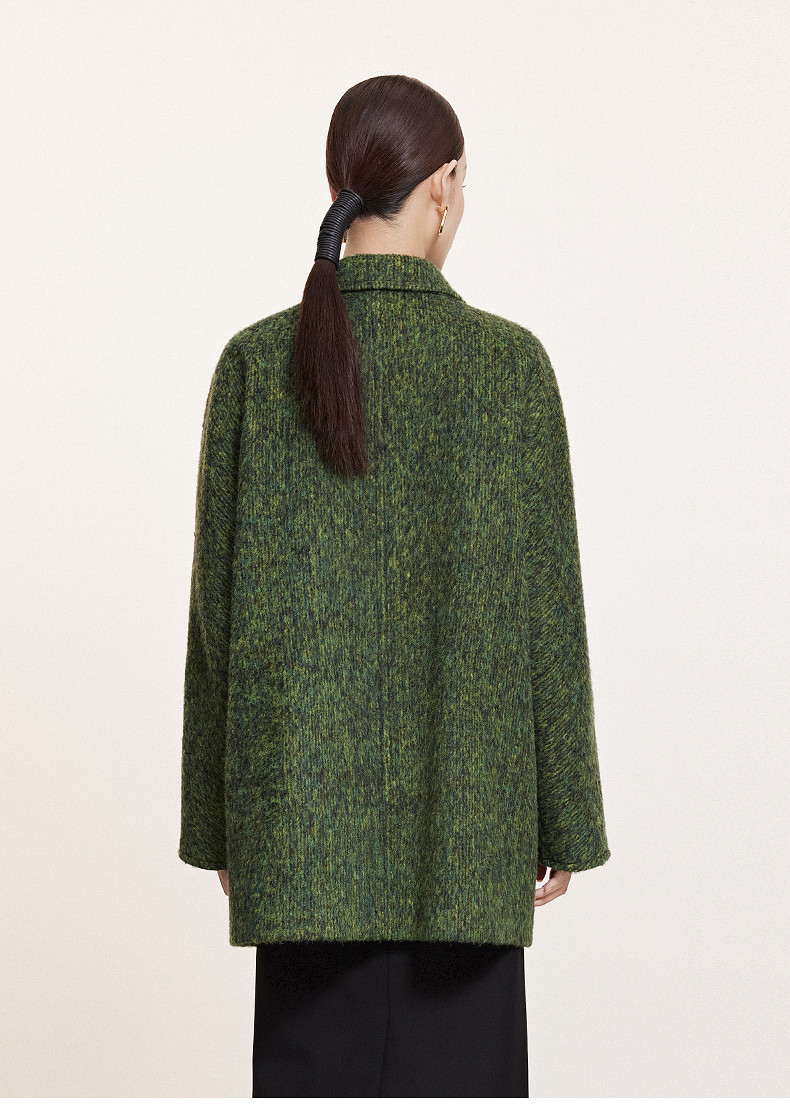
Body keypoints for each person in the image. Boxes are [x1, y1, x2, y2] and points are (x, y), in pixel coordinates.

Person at [178, 73, 611, 1098]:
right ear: (444, 186)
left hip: (300, 845)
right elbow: (549, 612)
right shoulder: (509, 368)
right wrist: (564, 816)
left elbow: (215, 625)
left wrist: (222, 820)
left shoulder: (255, 364)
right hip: (468, 846)